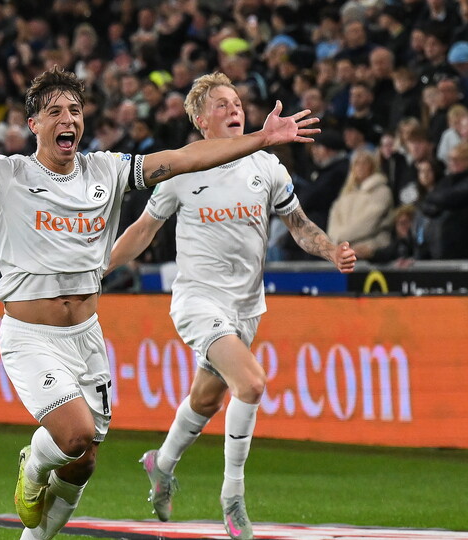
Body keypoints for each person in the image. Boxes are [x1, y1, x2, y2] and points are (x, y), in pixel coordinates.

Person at [0, 66, 319, 540]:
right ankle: (32, 463)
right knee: (76, 434)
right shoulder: (7, 175)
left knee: (84, 462)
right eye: (56, 111)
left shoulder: (107, 169)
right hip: (30, 336)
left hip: (85, 337)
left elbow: (183, 159)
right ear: (33, 123)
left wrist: (260, 139)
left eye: (76, 111)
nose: (69, 120)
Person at [105, 72, 354, 540]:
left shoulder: (267, 167)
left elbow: (298, 225)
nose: (233, 109)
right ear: (201, 121)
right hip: (198, 300)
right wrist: (99, 268)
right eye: (220, 104)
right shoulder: (182, 170)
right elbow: (143, 230)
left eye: (236, 101)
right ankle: (233, 497)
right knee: (252, 384)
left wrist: (331, 250)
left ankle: (160, 465)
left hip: (246, 307)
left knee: (206, 398)